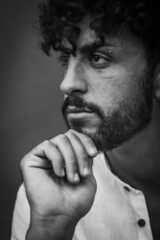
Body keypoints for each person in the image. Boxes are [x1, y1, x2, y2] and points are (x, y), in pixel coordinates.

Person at [11, 0, 160, 239]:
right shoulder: (44, 196)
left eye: (98, 58)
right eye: (66, 59)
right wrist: (51, 227)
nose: (67, 84)